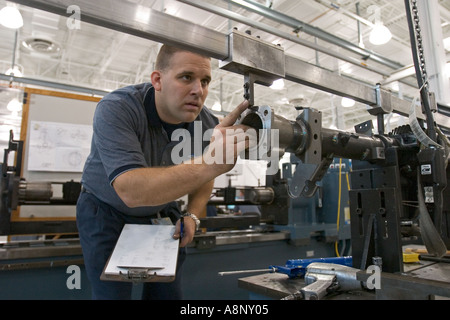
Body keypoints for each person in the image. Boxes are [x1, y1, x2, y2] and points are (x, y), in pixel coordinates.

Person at [76, 44, 253, 300]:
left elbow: (205, 177)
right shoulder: (117, 108)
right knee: (111, 295)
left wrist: (192, 215)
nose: (198, 90)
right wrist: (211, 162)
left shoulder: (205, 123)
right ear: (158, 80)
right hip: (105, 211)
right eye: (186, 77)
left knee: (166, 294)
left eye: (205, 81)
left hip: (160, 212)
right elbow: (131, 191)